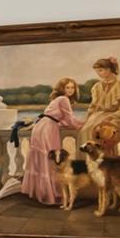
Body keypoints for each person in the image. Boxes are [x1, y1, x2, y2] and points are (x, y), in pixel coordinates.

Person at [22, 77, 84, 206]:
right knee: (49, 159)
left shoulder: (58, 99)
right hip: (47, 128)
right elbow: (70, 119)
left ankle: (41, 192)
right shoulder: (64, 99)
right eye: (68, 87)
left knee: (44, 158)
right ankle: (49, 194)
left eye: (73, 87)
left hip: (42, 126)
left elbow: (62, 120)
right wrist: (84, 124)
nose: (71, 90)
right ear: (62, 89)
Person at [80, 56, 120, 155]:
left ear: (109, 69)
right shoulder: (96, 87)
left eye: (100, 70)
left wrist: (114, 115)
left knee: (102, 130)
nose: (99, 74)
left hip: (118, 115)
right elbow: (93, 105)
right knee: (86, 129)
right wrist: (88, 117)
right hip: (100, 114)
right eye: (97, 72)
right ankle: (88, 160)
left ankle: (106, 158)